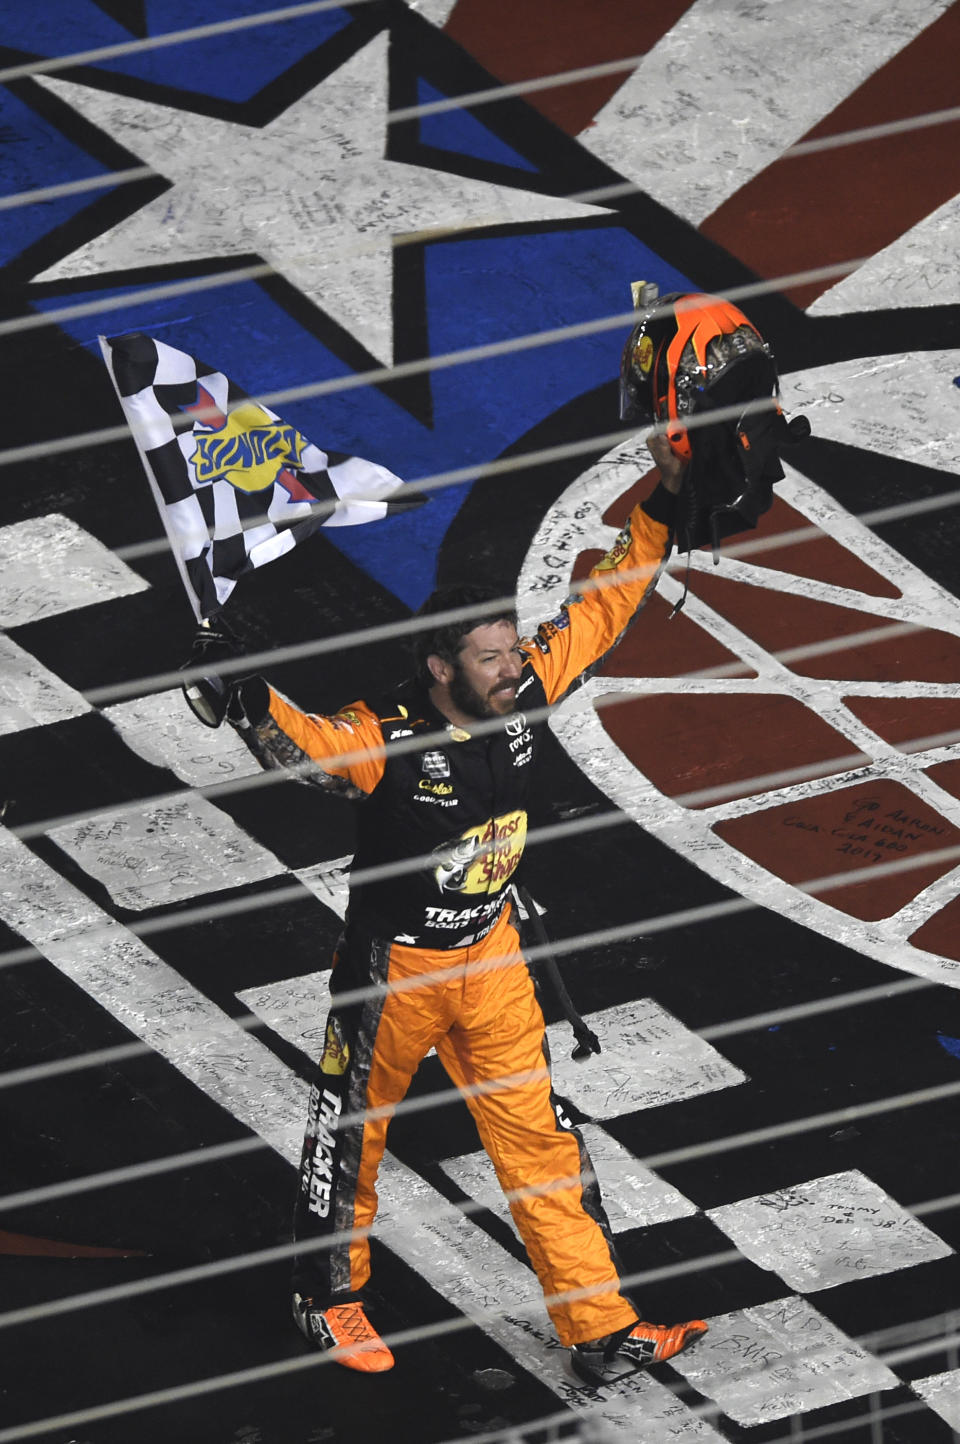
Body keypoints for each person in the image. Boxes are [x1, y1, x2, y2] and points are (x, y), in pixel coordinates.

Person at [202, 432, 707, 1386]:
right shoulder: (386, 739)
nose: (511, 669)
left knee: (542, 1143)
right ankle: (328, 1301)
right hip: (394, 973)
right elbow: (307, 749)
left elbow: (603, 603)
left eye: (511, 652)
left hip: (495, 958)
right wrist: (244, 696)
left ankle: (600, 1330)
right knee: (351, 1139)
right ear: (440, 670)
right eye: (488, 659)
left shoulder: (525, 688)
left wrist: (667, 501)